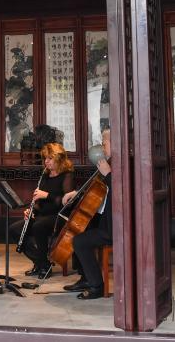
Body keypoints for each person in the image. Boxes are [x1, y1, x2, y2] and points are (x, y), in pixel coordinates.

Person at [8, 142, 74, 277]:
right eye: (45, 158)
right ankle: (40, 262)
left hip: (59, 216)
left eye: (50, 158)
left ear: (59, 159)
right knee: (14, 229)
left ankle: (43, 266)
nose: (46, 162)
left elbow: (66, 202)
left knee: (38, 226)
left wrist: (47, 195)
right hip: (42, 216)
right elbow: (38, 201)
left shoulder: (67, 175)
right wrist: (32, 211)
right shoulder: (45, 175)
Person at [61, 128, 112, 300]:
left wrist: (108, 174)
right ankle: (85, 278)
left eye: (105, 143)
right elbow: (96, 189)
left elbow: (123, 192)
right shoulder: (108, 163)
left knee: (79, 241)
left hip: (115, 226)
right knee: (80, 229)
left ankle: (97, 286)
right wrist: (76, 193)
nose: (102, 148)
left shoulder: (120, 166)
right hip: (105, 219)